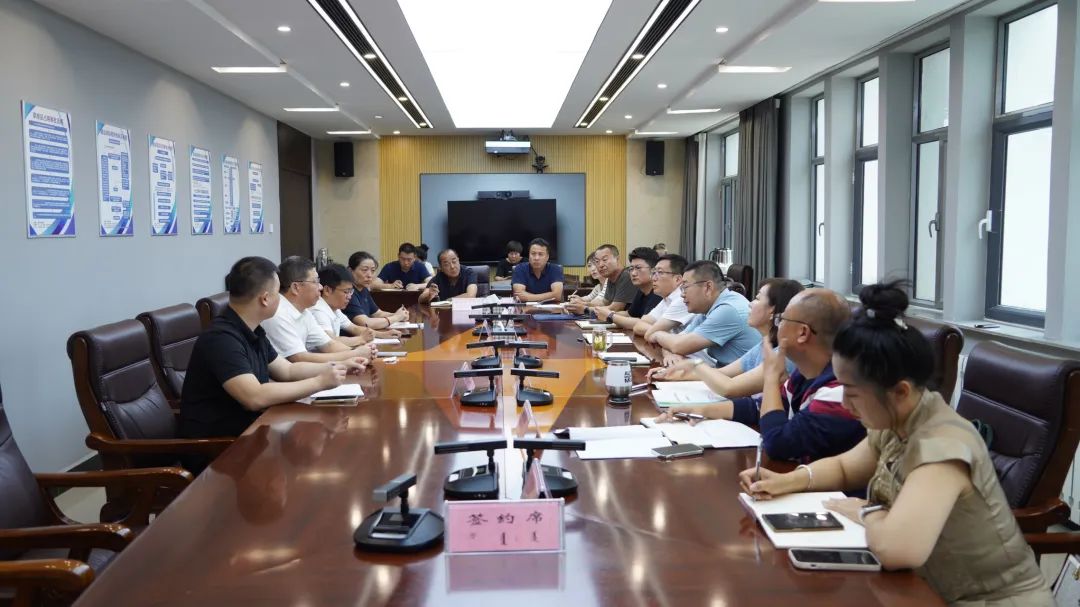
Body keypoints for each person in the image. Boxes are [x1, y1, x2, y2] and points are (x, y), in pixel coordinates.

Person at [740, 281, 1053, 605]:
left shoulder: (942, 445)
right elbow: (846, 467)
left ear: (900, 391)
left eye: (853, 393)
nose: (845, 404)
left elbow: (896, 549)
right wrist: (786, 481)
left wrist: (867, 511)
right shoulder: (897, 419)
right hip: (919, 587)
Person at [179, 256, 365, 441]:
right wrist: (319, 382)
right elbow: (254, 397)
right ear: (265, 299)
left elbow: (288, 370)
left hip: (254, 430)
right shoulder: (221, 339)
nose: (282, 299)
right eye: (278, 293)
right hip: (219, 445)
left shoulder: (253, 330)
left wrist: (339, 366)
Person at [651, 278, 804, 410]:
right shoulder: (765, 344)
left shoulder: (785, 355)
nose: (750, 304)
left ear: (773, 311)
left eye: (757, 299)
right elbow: (722, 373)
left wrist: (695, 364)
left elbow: (729, 388)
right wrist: (670, 374)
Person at [261, 256, 375, 364]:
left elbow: (329, 345)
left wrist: (360, 353)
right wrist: (355, 354)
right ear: (296, 287)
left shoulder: (305, 312)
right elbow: (299, 358)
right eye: (315, 281)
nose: (320, 287)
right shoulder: (278, 313)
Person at [650, 260, 759, 366]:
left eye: (685, 287)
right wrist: (669, 352)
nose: (682, 295)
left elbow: (679, 346)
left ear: (708, 287)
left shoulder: (728, 309)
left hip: (740, 377)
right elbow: (676, 342)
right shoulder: (708, 308)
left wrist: (657, 334)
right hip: (723, 374)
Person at [310, 264, 377, 348]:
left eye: (351, 291)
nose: (349, 297)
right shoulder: (318, 310)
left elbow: (353, 328)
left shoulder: (334, 308)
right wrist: (361, 339)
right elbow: (331, 341)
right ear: (327, 290)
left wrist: (382, 334)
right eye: (346, 292)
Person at [596, 247, 662, 330]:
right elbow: (629, 314)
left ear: (653, 270)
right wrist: (603, 313)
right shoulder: (641, 291)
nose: (633, 273)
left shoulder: (659, 293)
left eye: (638, 268)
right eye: (631, 269)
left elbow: (643, 323)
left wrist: (610, 316)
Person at [634, 254, 696, 340]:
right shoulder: (667, 298)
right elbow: (638, 326)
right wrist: (661, 333)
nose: (653, 278)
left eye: (660, 273)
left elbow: (650, 332)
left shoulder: (682, 298)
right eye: (654, 273)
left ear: (678, 279)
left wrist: (655, 331)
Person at [345, 251, 408, 334]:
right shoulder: (348, 292)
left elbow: (377, 313)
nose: (369, 275)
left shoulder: (364, 289)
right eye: (364, 270)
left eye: (373, 270)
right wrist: (396, 318)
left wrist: (399, 314)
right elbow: (365, 323)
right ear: (350, 271)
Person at [564, 243, 634, 314]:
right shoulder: (610, 278)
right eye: (597, 261)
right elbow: (604, 303)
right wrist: (582, 304)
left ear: (617, 259)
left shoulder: (627, 275)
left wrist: (585, 309)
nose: (600, 265)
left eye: (605, 260)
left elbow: (615, 308)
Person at [511, 238, 564, 302]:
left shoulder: (556, 269)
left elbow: (557, 296)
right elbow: (519, 296)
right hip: (526, 308)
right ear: (529, 255)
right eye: (533, 254)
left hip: (550, 307)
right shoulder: (519, 269)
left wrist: (528, 297)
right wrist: (550, 295)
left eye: (540, 254)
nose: (536, 258)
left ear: (547, 257)